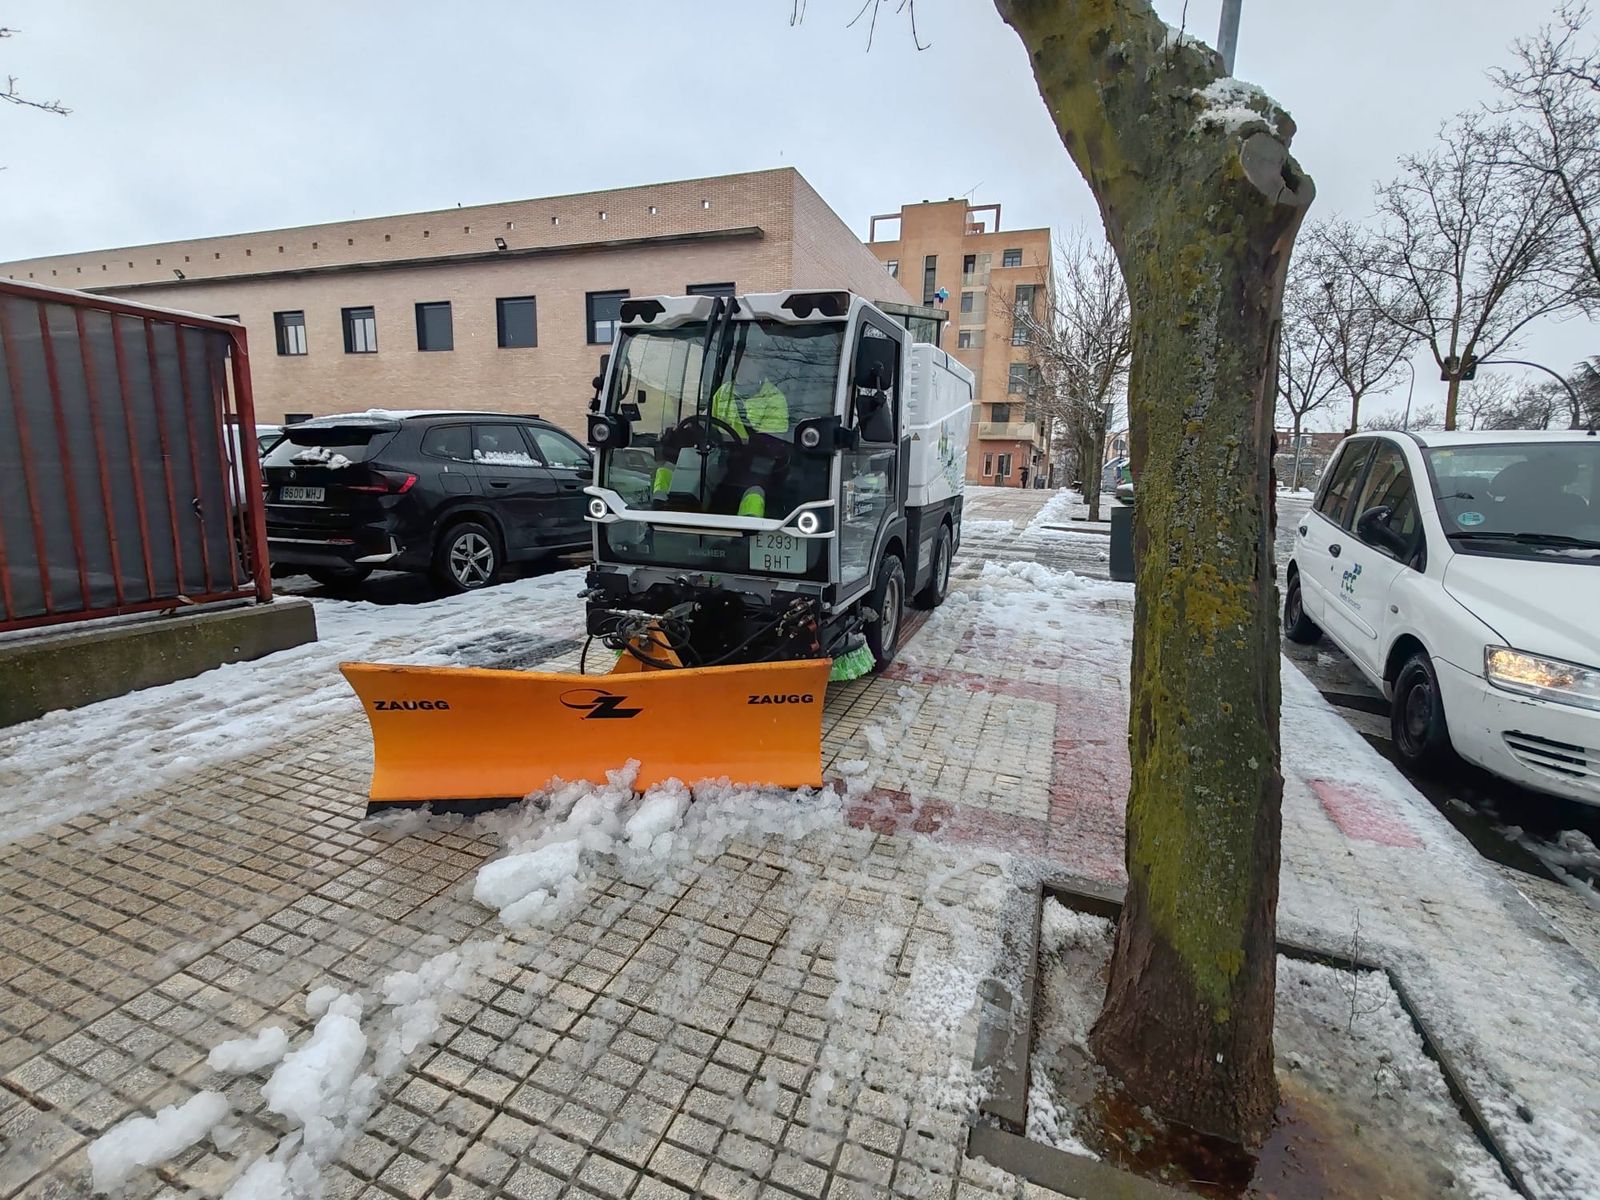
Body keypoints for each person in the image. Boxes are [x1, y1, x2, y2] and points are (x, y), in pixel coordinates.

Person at [650, 373, 792, 516]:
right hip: (720, 457)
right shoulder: (724, 392)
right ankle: (659, 514)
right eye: (738, 360)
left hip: (754, 462)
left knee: (755, 490)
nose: (742, 366)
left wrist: (745, 446)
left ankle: (747, 529)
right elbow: (706, 422)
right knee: (667, 469)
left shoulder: (774, 399)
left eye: (749, 361)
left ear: (760, 365)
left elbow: (772, 444)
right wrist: (685, 433)